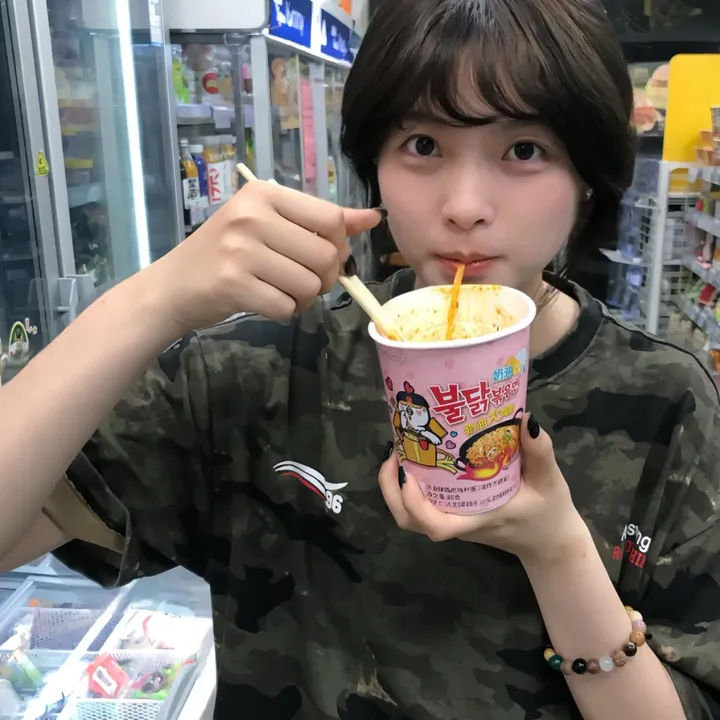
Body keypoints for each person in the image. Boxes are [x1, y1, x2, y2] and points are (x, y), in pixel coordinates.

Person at [0, 0, 718, 717]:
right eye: (424, 145)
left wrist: (557, 551)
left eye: (525, 150)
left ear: (589, 174)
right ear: (374, 161)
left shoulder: (666, 401)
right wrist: (151, 302)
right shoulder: (260, 370)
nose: (465, 206)